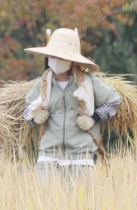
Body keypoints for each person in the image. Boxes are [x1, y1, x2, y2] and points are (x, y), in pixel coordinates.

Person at [23, 28, 121, 178]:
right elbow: (26, 110)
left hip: (81, 155)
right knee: (44, 199)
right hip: (48, 154)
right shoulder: (42, 83)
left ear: (71, 60)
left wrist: (92, 119)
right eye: (52, 56)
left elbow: (114, 102)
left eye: (59, 57)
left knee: (79, 199)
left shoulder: (88, 82)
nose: (54, 60)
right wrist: (34, 118)